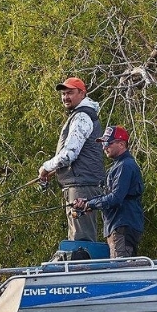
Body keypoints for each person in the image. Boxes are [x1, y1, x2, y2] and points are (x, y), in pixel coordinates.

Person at [38, 76, 106, 242]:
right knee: (78, 237)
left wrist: (46, 167)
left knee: (81, 240)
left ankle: (84, 268)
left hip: (81, 187)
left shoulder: (82, 116)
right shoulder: (80, 115)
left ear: (82, 93)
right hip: (80, 184)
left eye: (70, 93)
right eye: (63, 94)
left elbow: (69, 154)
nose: (65, 97)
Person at [73, 125, 145, 258]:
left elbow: (115, 198)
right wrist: (87, 202)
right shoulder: (118, 166)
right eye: (103, 143)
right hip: (117, 226)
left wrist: (90, 205)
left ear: (122, 144)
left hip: (122, 225)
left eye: (108, 143)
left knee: (121, 270)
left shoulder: (125, 166)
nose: (104, 147)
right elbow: (109, 196)